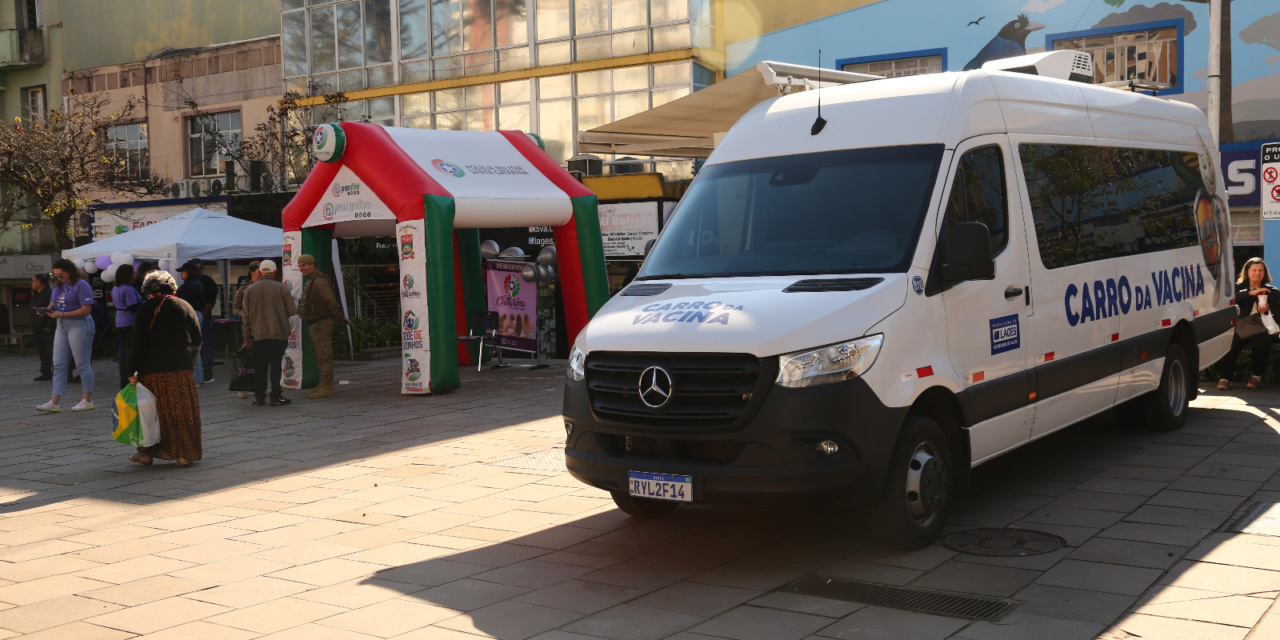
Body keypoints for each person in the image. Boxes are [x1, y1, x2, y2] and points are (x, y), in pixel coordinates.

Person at [126, 270, 203, 467]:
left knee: (150, 414)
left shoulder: (146, 308)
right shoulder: (184, 305)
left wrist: (132, 370)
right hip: (181, 370)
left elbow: (138, 343)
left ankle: (145, 454)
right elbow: (197, 338)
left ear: (148, 289)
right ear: (171, 287)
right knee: (181, 413)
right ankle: (184, 454)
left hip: (153, 371)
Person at [36, 259, 96, 412]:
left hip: (79, 324)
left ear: (70, 271)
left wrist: (61, 314)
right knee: (58, 363)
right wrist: (46, 309)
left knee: (82, 363)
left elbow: (86, 309)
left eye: (61, 275)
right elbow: (53, 304)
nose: (58, 278)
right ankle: (55, 401)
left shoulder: (81, 285)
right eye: (55, 276)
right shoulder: (58, 285)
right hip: (62, 325)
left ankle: (87, 399)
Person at [1218, 257, 1280, 390]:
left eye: (1260, 270)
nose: (1257, 273)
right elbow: (1230, 299)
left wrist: (1268, 309)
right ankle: (1225, 378)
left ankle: (1256, 376)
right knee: (1230, 341)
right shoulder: (1237, 288)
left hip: (1262, 328)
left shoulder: (1273, 291)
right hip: (1241, 327)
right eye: (1254, 270)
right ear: (1247, 272)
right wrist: (1251, 293)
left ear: (1264, 273)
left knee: (1261, 342)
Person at [241, 259, 296, 406]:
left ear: (260, 272)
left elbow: (246, 317)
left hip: (258, 334)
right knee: (276, 364)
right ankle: (276, 395)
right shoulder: (282, 288)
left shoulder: (250, 290)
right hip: (278, 333)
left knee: (261, 366)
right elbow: (292, 310)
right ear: (275, 271)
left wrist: (247, 337)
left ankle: (259, 397)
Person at [296, 254, 345, 399]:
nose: (301, 269)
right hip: (316, 322)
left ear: (312, 265)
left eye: (303, 265)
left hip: (322, 322)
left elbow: (330, 300)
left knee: (324, 354)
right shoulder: (312, 281)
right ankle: (322, 384)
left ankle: (327, 386)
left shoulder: (319, 282)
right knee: (320, 354)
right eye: (299, 266)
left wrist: (335, 314)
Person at [111, 264, 144, 389]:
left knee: (124, 352)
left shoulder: (115, 288)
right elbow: (132, 306)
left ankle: (123, 379)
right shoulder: (128, 289)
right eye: (133, 273)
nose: (135, 275)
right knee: (130, 352)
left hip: (120, 320)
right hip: (130, 320)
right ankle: (130, 379)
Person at [177, 262, 207, 384]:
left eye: (182, 271)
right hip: (196, 314)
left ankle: (195, 379)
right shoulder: (196, 284)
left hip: (189, 315)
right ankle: (196, 378)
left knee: (190, 348)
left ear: (188, 272)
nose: (180, 274)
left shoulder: (190, 286)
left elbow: (180, 301)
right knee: (195, 348)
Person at [193, 259, 219, 383]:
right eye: (195, 270)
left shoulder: (208, 282)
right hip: (193, 317)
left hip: (204, 317)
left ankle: (208, 372)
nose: (198, 272)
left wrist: (202, 316)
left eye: (199, 269)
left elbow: (210, 302)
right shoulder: (191, 282)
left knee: (205, 345)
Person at [29, 273, 55, 381]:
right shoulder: (35, 295)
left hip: (46, 329)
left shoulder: (49, 293)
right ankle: (45, 372)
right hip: (37, 328)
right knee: (42, 352)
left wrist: (49, 326)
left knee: (51, 351)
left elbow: (51, 310)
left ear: (39, 282)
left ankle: (58, 373)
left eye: (33, 281)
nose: (32, 284)